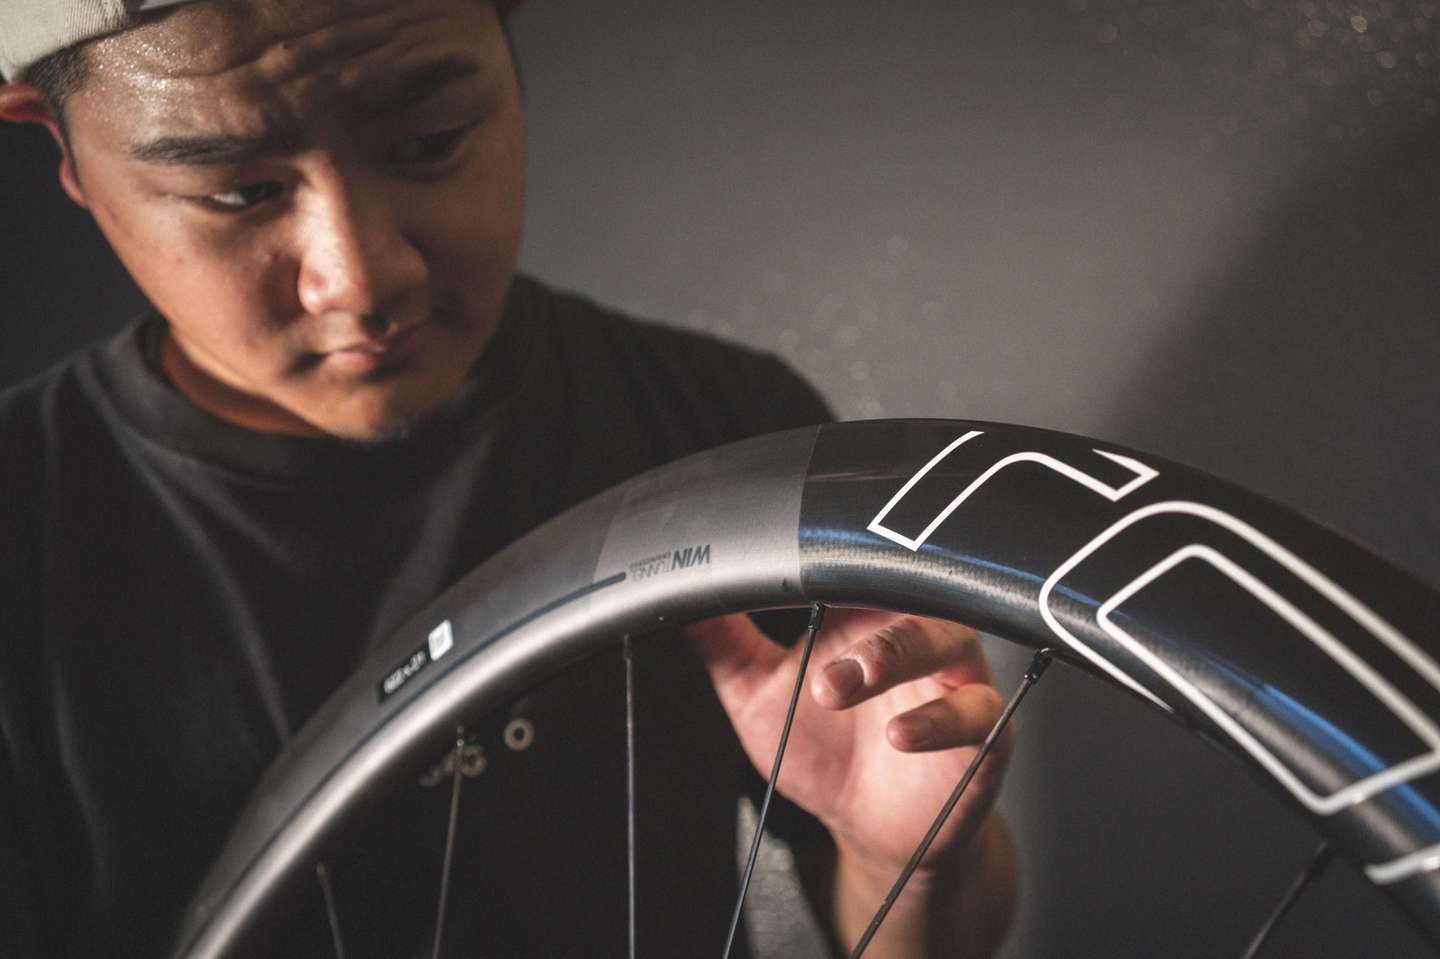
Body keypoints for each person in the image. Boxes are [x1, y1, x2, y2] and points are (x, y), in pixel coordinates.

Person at [0, 1, 1016, 955]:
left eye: (429, 141)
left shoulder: (726, 431)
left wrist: (911, 861)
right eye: (238, 192)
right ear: (66, 150)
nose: (363, 277)